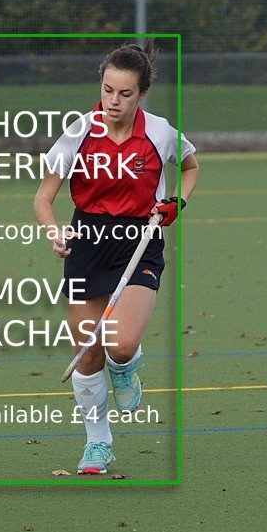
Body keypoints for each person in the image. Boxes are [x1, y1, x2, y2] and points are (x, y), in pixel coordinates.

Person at [33, 40, 199, 475]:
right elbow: (43, 199)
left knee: (119, 346)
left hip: (139, 242)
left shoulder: (160, 132)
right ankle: (97, 444)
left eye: (125, 94)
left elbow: (189, 166)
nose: (113, 101)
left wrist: (175, 203)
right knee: (88, 352)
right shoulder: (79, 131)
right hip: (87, 243)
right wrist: (55, 233)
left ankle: (126, 365)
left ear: (142, 93)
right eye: (108, 90)